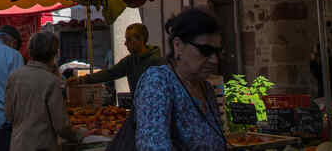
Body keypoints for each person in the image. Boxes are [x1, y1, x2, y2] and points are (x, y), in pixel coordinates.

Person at [135, 8, 225, 151]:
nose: (214, 60)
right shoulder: (158, 81)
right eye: (205, 51)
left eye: (218, 52)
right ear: (178, 45)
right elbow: (153, 146)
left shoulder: (206, 89)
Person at [5, 32, 88, 151]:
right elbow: (61, 126)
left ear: (30, 51)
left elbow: (8, 114)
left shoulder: (14, 76)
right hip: (41, 145)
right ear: (55, 53)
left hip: (18, 144)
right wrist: (79, 135)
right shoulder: (51, 81)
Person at [68, 23, 163, 97]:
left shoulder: (156, 62)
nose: (125, 43)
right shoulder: (130, 61)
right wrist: (82, 80)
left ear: (141, 39)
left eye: (129, 39)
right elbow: (110, 73)